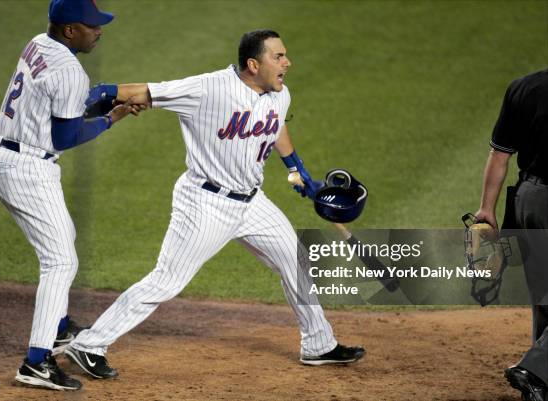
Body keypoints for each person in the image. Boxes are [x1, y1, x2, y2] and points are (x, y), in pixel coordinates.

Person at [63, 29, 365, 379]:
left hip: (253, 204)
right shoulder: (208, 89)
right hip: (205, 204)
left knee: (295, 260)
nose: (287, 63)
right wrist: (100, 95)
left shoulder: (278, 93)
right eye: (278, 57)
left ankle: (319, 344)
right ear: (253, 64)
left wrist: (298, 170)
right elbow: (146, 91)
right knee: (166, 281)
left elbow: (276, 125)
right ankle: (89, 344)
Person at [0, 0, 139, 391]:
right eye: (92, 26)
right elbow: (65, 136)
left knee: (62, 239)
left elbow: (50, 104)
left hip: (3, 155)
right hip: (27, 169)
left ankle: (58, 327)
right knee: (60, 262)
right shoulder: (70, 69)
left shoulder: (38, 43)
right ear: (70, 30)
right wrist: (110, 118)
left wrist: (96, 98)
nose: (99, 31)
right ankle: (36, 362)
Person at [474, 69, 547, 401]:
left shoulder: (525, 87)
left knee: (544, 293)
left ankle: (539, 387)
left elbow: (499, 155)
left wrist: (486, 210)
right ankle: (535, 368)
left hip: (528, 199)